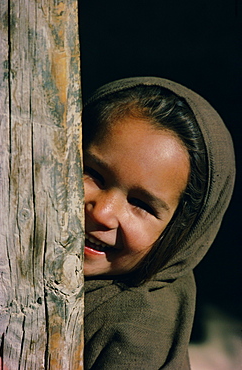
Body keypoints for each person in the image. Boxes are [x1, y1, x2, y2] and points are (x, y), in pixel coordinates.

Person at [82, 77, 235, 369]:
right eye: (93, 174)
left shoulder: (137, 327)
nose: (103, 212)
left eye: (141, 204)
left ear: (181, 234)